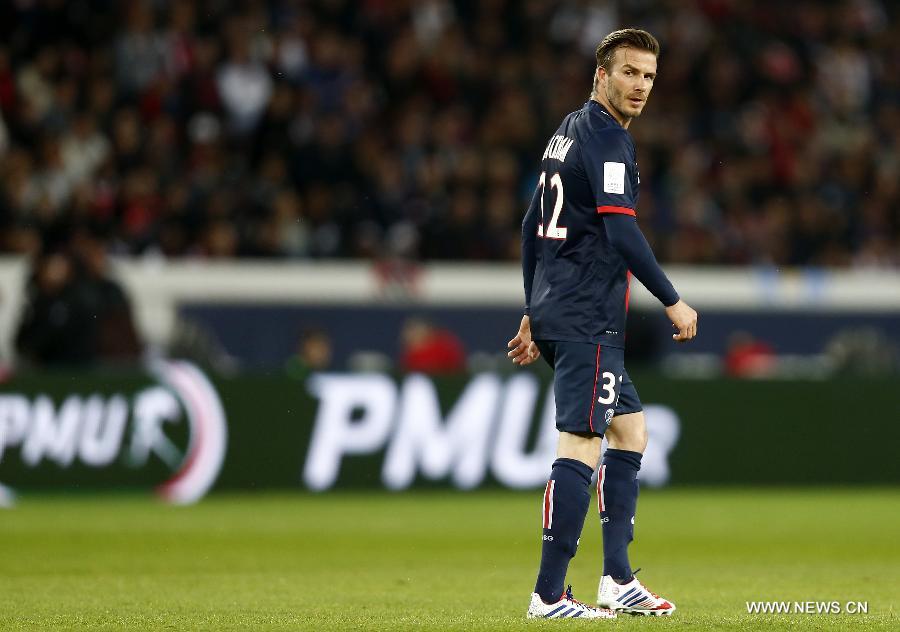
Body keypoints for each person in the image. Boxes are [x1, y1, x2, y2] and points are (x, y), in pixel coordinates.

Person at [508, 29, 698, 619]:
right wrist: (671, 298)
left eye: (648, 76)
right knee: (582, 442)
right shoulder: (610, 140)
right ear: (602, 76)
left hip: (563, 308)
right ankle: (548, 594)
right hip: (589, 315)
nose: (640, 86)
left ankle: (616, 580)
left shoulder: (568, 130)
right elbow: (621, 232)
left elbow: (531, 225)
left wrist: (532, 308)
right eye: (630, 74)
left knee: (630, 430)